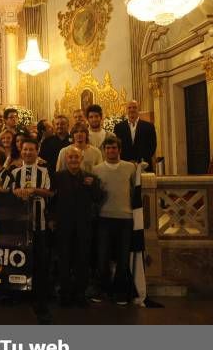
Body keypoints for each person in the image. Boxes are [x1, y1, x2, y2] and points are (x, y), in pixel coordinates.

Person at [50, 146, 103, 307]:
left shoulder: (90, 177)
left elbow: (98, 198)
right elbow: (52, 199)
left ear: (81, 159)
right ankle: (64, 293)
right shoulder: (57, 177)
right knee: (64, 259)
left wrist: (91, 186)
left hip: (83, 225)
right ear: (66, 160)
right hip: (63, 224)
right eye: (70, 157)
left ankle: (80, 294)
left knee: (82, 260)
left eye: (76, 157)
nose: (73, 160)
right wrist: (52, 219)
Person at [11, 138, 53, 321]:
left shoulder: (44, 171)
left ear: (37, 152)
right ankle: (20, 294)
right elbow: (10, 192)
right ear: (21, 152)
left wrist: (33, 190)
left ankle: (40, 298)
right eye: (25, 150)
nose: (28, 153)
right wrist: (17, 192)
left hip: (39, 223)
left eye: (31, 150)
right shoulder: (15, 172)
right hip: (20, 225)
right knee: (20, 259)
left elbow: (50, 192)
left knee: (40, 261)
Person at [92, 136, 137, 305]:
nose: (111, 151)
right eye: (108, 148)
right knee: (102, 256)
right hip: (104, 218)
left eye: (114, 148)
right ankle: (103, 290)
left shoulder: (130, 168)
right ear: (104, 151)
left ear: (119, 150)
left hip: (125, 218)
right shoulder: (97, 170)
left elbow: (134, 190)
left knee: (122, 257)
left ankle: (120, 292)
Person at [113, 100, 157, 171]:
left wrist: (138, 161)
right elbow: (117, 146)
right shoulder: (118, 127)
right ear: (126, 110)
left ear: (138, 109)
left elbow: (152, 146)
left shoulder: (149, 126)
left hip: (144, 165)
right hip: (124, 165)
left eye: (134, 107)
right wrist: (128, 161)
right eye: (129, 108)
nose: (132, 110)